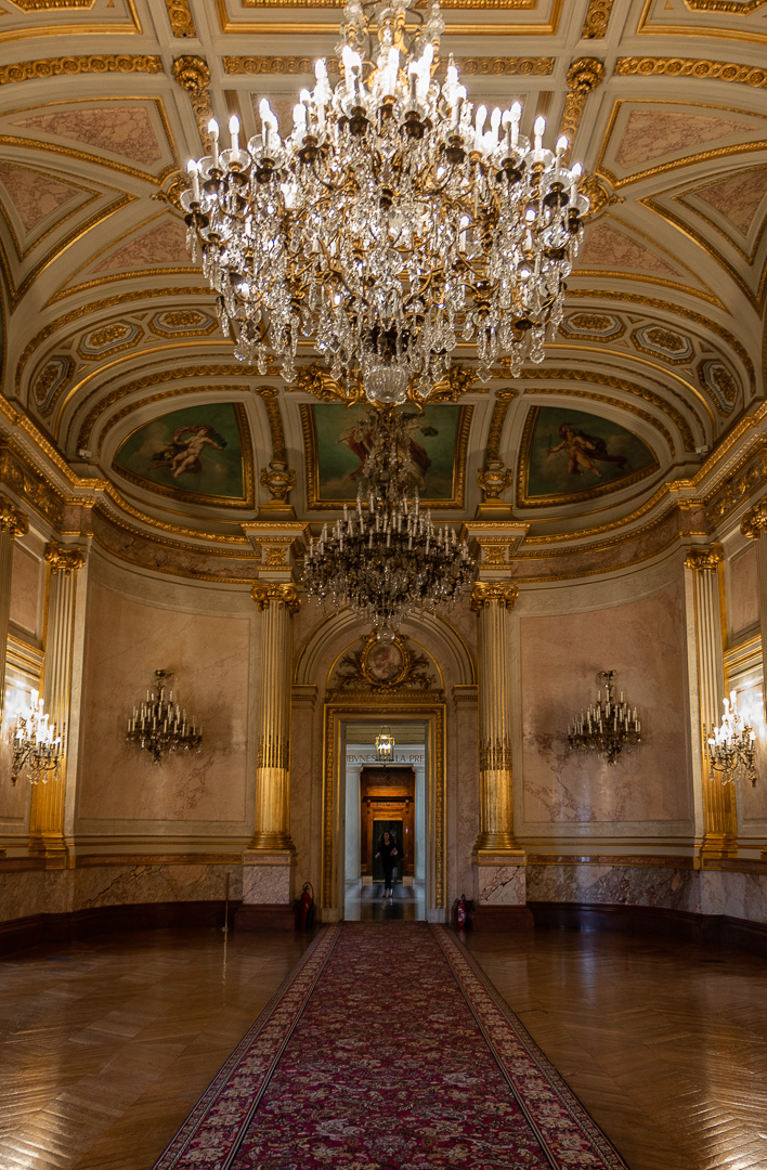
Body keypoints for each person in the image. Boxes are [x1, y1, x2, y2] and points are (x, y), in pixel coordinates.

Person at [374, 830, 398, 898]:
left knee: (388, 877)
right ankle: (389, 891)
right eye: (385, 835)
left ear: (389, 836)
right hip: (384, 862)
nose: (386, 836)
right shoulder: (381, 843)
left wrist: (394, 852)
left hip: (391, 862)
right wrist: (377, 855)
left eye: (387, 835)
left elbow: (395, 851)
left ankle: (387, 891)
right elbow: (379, 851)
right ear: (383, 836)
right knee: (386, 877)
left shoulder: (392, 843)